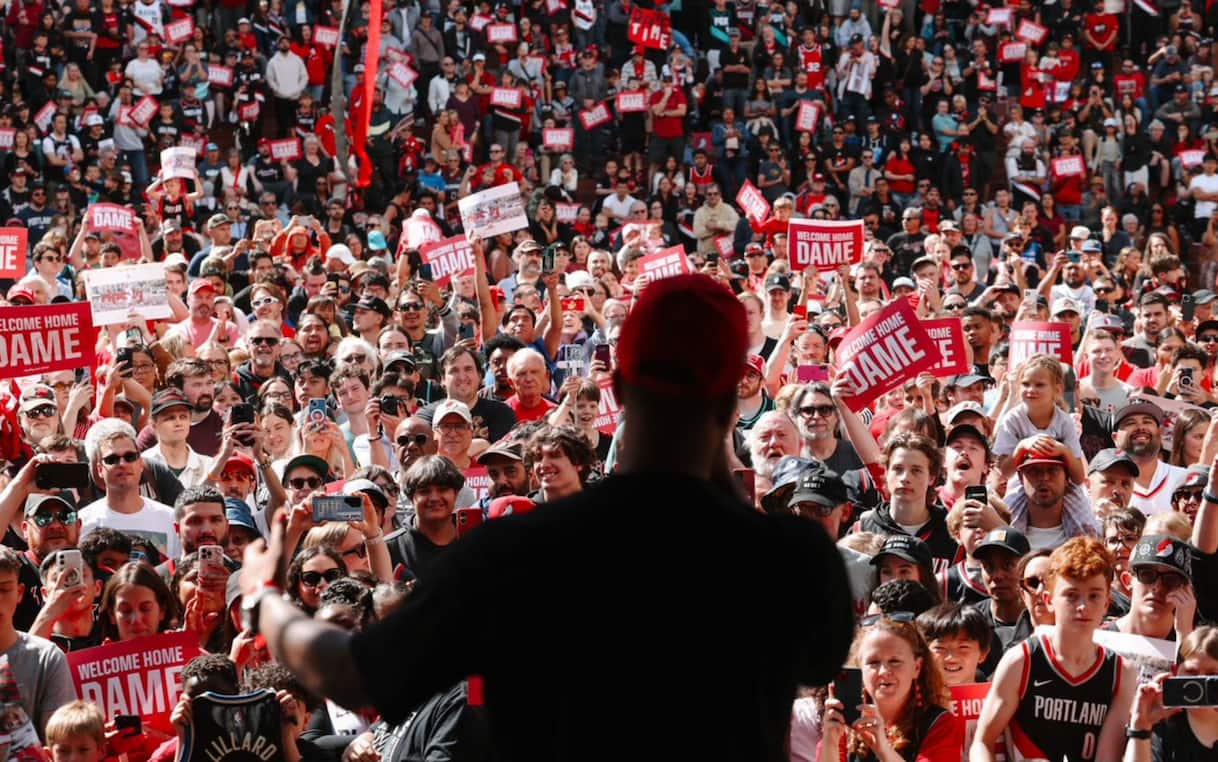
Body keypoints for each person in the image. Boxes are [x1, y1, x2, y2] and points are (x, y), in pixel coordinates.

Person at [240, 274, 854, 760]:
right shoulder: (789, 557)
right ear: (732, 397)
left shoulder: (518, 551)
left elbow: (354, 675)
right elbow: (821, 658)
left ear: (621, 386)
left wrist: (267, 596)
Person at [971, 536, 1135, 762]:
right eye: (1071, 595)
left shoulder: (1121, 672)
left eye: (1094, 595)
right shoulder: (1022, 660)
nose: (1083, 606)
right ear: (1049, 599)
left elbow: (1108, 758)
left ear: (1107, 603)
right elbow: (982, 741)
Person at [818, 611, 962, 761]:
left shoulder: (938, 724)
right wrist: (830, 741)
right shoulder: (846, 721)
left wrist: (882, 749)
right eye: (873, 662)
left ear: (917, 667)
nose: (884, 671)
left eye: (895, 661)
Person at [1124, 625, 1218, 761]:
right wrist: (1140, 726)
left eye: (1212, 675)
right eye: (1191, 672)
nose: (1200, 681)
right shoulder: (1162, 723)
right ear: (1175, 671)